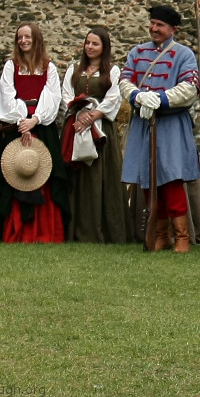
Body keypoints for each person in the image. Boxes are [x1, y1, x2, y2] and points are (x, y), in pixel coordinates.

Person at [119, 7, 200, 253]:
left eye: (160, 25)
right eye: (153, 23)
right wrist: (137, 96)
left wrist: (160, 99)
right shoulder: (137, 52)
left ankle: (182, 237)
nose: (154, 28)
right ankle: (161, 235)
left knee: (172, 179)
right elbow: (124, 81)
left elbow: (189, 88)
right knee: (149, 181)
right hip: (144, 123)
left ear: (173, 29)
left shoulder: (184, 54)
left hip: (171, 124)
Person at [0, 22, 77, 244]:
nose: (23, 41)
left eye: (27, 37)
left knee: (44, 174)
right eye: (20, 37)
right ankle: (17, 232)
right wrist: (22, 121)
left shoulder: (49, 67)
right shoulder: (11, 66)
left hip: (42, 127)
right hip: (15, 127)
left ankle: (45, 231)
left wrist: (35, 120)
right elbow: (6, 96)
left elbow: (52, 97)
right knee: (16, 174)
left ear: (37, 39)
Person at [58, 29, 137, 245]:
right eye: (88, 43)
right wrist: (78, 114)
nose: (90, 47)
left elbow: (113, 98)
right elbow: (66, 95)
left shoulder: (112, 71)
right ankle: (74, 230)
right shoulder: (74, 69)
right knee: (76, 177)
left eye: (95, 44)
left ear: (104, 47)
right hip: (75, 128)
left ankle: (104, 231)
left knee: (101, 177)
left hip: (101, 131)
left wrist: (92, 116)